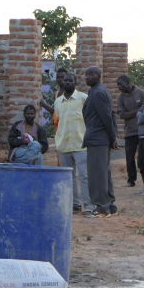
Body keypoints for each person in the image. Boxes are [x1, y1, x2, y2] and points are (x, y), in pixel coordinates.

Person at [82, 66, 119, 218]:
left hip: (99, 138)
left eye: (91, 74)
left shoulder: (98, 92)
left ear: (99, 76)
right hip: (99, 137)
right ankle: (109, 204)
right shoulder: (95, 91)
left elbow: (107, 117)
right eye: (86, 74)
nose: (87, 77)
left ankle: (102, 206)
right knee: (104, 172)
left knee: (97, 174)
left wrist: (112, 138)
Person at [53, 73, 92, 213]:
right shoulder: (58, 102)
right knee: (69, 177)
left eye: (70, 80)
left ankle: (88, 206)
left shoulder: (83, 99)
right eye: (65, 80)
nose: (67, 82)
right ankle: (75, 204)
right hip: (63, 144)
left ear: (76, 83)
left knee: (85, 176)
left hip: (81, 143)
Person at [116, 75, 144, 187]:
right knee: (129, 156)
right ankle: (131, 180)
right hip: (129, 131)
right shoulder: (120, 97)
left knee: (143, 157)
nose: (119, 87)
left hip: (142, 130)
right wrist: (137, 111)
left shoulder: (141, 93)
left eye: (121, 84)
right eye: (118, 85)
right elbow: (121, 115)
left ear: (128, 83)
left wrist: (129, 113)